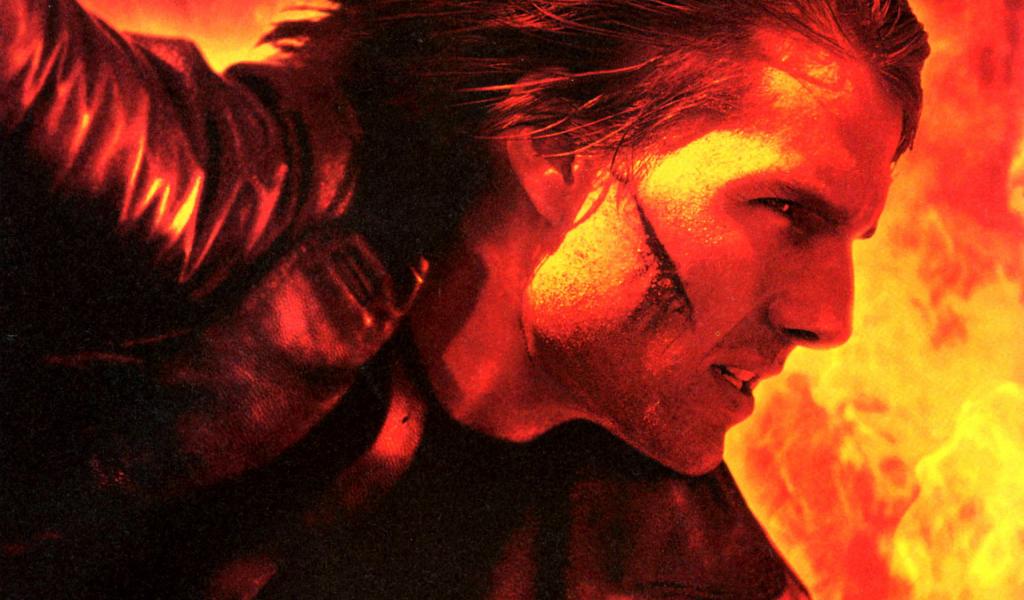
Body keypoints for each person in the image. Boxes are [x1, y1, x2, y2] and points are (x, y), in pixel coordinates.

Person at [0, 0, 929, 597]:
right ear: (556, 148)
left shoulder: (691, 573)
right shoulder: (198, 203)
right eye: (788, 211)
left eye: (850, 237)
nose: (830, 318)